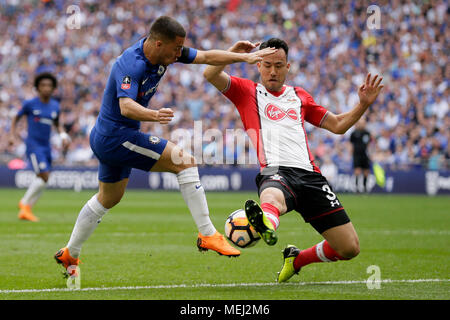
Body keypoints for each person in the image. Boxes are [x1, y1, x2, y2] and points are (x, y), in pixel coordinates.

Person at [54, 16, 277, 277]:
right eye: (176, 49)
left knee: (109, 197)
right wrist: (154, 115)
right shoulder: (132, 64)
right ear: (159, 44)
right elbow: (126, 106)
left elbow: (205, 57)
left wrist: (236, 55)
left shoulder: (165, 53)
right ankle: (207, 233)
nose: (179, 54)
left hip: (110, 136)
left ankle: (71, 252)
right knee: (185, 161)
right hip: (117, 136)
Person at [203, 38, 383, 282]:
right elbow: (210, 73)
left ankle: (297, 259)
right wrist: (233, 53)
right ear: (258, 65)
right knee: (273, 198)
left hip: (311, 176)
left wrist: (362, 105)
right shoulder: (246, 91)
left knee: (349, 248)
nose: (273, 71)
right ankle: (267, 222)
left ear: (288, 67)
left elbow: (338, 125)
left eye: (279, 65)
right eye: (267, 65)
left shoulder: (300, 97)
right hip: (275, 170)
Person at [9, 72, 70, 222]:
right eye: (43, 85)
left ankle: (27, 210)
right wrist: (12, 135)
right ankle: (24, 204)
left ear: (54, 88)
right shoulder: (30, 104)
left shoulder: (55, 106)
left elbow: (57, 124)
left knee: (43, 180)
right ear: (37, 87)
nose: (46, 88)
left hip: (46, 146)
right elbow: (16, 117)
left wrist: (63, 135)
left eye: (49, 85)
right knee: (44, 176)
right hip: (34, 145)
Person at [350, 118, 372, 192]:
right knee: (357, 171)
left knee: (366, 171)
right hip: (356, 155)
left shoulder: (367, 133)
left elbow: (369, 144)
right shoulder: (354, 133)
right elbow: (351, 144)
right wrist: (350, 154)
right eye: (360, 123)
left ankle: (365, 187)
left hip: (364, 155)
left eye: (363, 123)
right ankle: (356, 188)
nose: (362, 124)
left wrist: (370, 153)